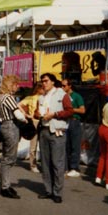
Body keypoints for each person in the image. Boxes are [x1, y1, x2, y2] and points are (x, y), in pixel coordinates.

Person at [36, 73, 73, 203]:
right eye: (42, 81)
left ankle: (57, 192)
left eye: (46, 81)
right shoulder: (41, 97)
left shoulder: (62, 95)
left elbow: (70, 111)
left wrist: (55, 114)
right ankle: (48, 190)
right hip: (44, 130)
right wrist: (37, 114)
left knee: (57, 163)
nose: (44, 84)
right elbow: (37, 113)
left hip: (58, 131)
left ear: (52, 82)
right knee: (45, 163)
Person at [0, 75, 27, 199]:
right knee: (9, 158)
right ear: (11, 85)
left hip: (4, 125)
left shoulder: (1, 97)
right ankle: (5, 186)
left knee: (6, 156)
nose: (17, 87)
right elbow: (17, 113)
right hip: (10, 126)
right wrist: (25, 119)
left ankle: (6, 184)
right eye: (16, 84)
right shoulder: (8, 97)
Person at [62, 78, 85, 177]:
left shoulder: (76, 96)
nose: (62, 88)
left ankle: (74, 167)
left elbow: (82, 110)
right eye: (62, 86)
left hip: (74, 121)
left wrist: (71, 110)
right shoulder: (62, 96)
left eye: (64, 86)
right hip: (65, 121)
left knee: (75, 145)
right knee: (65, 145)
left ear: (69, 86)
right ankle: (66, 167)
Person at [18, 83, 44, 173]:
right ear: (38, 89)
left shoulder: (46, 98)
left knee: (43, 144)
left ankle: (41, 165)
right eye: (42, 88)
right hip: (35, 121)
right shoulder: (31, 98)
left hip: (44, 121)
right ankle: (33, 165)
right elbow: (18, 105)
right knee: (34, 144)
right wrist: (26, 114)